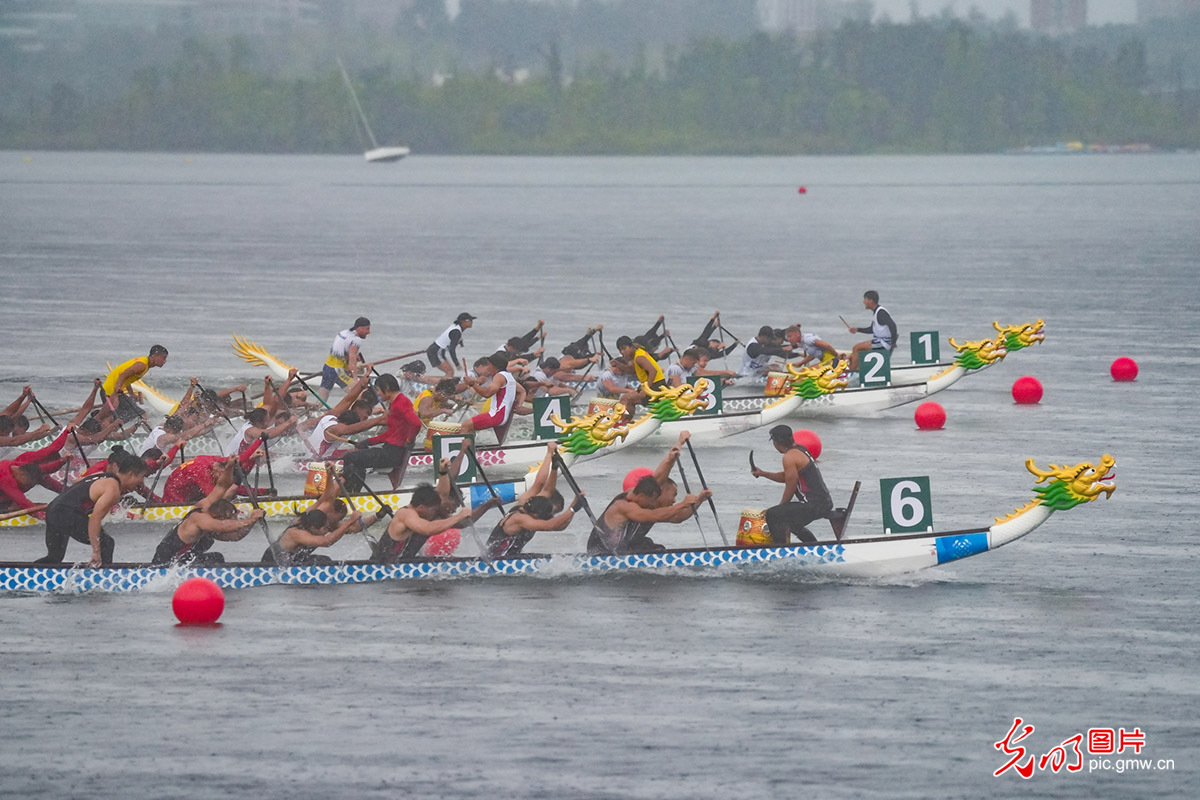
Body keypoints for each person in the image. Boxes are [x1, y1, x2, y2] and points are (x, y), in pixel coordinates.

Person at [586, 433, 710, 555]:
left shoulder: (648, 496)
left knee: (652, 546)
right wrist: (683, 504)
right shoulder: (624, 506)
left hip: (624, 548)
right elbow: (655, 516)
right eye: (673, 495)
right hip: (601, 553)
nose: (674, 500)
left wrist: (678, 445)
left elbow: (678, 516)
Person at [35, 449, 150, 566]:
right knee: (106, 543)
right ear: (130, 474)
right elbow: (95, 518)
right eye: (141, 477)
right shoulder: (113, 489)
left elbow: (77, 482)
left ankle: (30, 573)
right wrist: (96, 551)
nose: (141, 482)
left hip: (53, 510)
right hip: (66, 514)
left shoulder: (101, 476)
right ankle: (104, 576)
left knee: (54, 557)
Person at [152, 460, 264, 566]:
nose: (234, 521)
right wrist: (250, 519)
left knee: (214, 556)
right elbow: (225, 526)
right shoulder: (199, 518)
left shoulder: (207, 508)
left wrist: (229, 466)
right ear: (221, 517)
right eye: (231, 518)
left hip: (181, 561)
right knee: (216, 558)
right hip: (164, 564)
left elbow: (221, 487)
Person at [484, 442, 576, 558]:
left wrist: (552, 463)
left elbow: (542, 485)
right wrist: (573, 508)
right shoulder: (520, 519)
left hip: (511, 557)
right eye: (551, 513)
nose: (551, 516)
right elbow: (553, 525)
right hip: (495, 560)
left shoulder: (527, 502)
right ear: (536, 514)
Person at [753, 424, 833, 545]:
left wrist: (779, 508)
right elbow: (787, 477)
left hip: (815, 505)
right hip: (824, 502)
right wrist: (763, 473)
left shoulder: (789, 457)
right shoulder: (800, 450)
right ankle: (814, 546)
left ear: (776, 442)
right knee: (793, 523)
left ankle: (780, 549)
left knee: (773, 515)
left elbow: (791, 485)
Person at [342, 373, 421, 493]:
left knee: (349, 457)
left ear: (387, 388)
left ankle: (350, 491)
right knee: (359, 453)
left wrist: (409, 440)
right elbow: (390, 434)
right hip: (390, 450)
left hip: (393, 453)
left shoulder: (401, 402)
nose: (377, 393)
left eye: (378, 390)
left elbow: (416, 423)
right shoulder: (395, 403)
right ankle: (354, 490)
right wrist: (368, 441)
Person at [371, 483, 480, 563]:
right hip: (380, 567)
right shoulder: (406, 514)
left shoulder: (418, 514)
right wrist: (458, 516)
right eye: (433, 510)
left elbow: (462, 523)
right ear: (421, 507)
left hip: (400, 563)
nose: (434, 513)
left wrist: (443, 471)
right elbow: (427, 529)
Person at [0, 425, 76, 516]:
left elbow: (52, 451)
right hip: (6, 497)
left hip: (9, 497)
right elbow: (23, 502)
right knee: (19, 505)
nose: (34, 482)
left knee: (48, 505)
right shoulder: (6, 477)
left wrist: (66, 432)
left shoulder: (33, 471)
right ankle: (9, 509)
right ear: (22, 475)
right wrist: (42, 518)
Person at [305, 372, 382, 459]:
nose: (363, 421)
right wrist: (381, 420)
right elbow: (349, 402)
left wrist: (362, 382)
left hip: (317, 454)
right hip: (315, 461)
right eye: (364, 418)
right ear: (356, 411)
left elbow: (348, 399)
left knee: (355, 450)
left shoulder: (332, 416)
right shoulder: (338, 429)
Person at [459, 352, 528, 442]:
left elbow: (487, 393)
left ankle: (464, 453)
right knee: (470, 427)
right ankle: (472, 448)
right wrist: (519, 405)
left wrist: (472, 384)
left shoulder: (499, 376)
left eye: (489, 365)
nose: (487, 368)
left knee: (465, 425)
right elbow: (522, 391)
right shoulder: (509, 376)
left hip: (496, 416)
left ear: (494, 366)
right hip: (502, 416)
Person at [261, 507, 364, 566]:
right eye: (325, 529)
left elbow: (327, 498)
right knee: (321, 562)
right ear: (314, 528)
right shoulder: (297, 533)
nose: (327, 531)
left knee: (324, 560)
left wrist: (329, 478)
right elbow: (326, 542)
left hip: (293, 559)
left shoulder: (308, 519)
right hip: (273, 563)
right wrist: (350, 521)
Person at [101, 344, 168, 422]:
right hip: (110, 393)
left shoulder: (144, 363)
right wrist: (115, 395)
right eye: (163, 358)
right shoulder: (142, 365)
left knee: (124, 415)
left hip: (108, 391)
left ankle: (105, 424)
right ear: (155, 356)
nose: (165, 361)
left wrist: (131, 393)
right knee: (142, 415)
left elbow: (127, 379)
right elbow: (123, 374)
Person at [319, 317, 372, 401]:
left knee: (321, 401)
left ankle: (310, 412)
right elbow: (352, 358)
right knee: (359, 394)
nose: (369, 332)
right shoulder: (356, 339)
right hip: (337, 371)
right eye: (367, 329)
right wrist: (355, 378)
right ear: (360, 328)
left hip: (327, 368)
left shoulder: (343, 333)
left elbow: (343, 352)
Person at [846, 290, 897, 371]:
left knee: (856, 348)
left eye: (865, 299)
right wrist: (857, 330)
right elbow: (872, 329)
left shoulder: (881, 313)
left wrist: (893, 343)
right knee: (860, 349)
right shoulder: (876, 312)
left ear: (871, 301)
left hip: (884, 342)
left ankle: (852, 369)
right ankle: (858, 369)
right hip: (881, 341)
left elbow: (892, 326)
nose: (863, 302)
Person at [221, 406, 296, 457]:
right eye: (268, 420)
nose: (270, 422)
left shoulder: (252, 424)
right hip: (232, 460)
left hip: (239, 456)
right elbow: (268, 434)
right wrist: (289, 422)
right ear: (260, 422)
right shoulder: (250, 430)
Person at [616, 335, 665, 409]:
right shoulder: (638, 353)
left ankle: (624, 420)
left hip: (656, 386)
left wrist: (646, 389)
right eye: (620, 350)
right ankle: (627, 419)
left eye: (624, 349)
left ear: (631, 347)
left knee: (625, 399)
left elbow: (653, 371)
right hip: (656, 384)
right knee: (628, 399)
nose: (622, 352)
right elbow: (631, 370)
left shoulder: (639, 357)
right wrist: (617, 364)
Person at [428, 312, 476, 377]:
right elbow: (451, 350)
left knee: (450, 372)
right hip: (436, 352)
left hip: (436, 350)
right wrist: (457, 364)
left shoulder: (456, 326)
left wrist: (461, 343)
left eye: (471, 320)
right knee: (450, 372)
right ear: (462, 322)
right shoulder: (456, 332)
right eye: (469, 320)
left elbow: (452, 338)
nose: (471, 322)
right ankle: (440, 386)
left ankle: (440, 385)